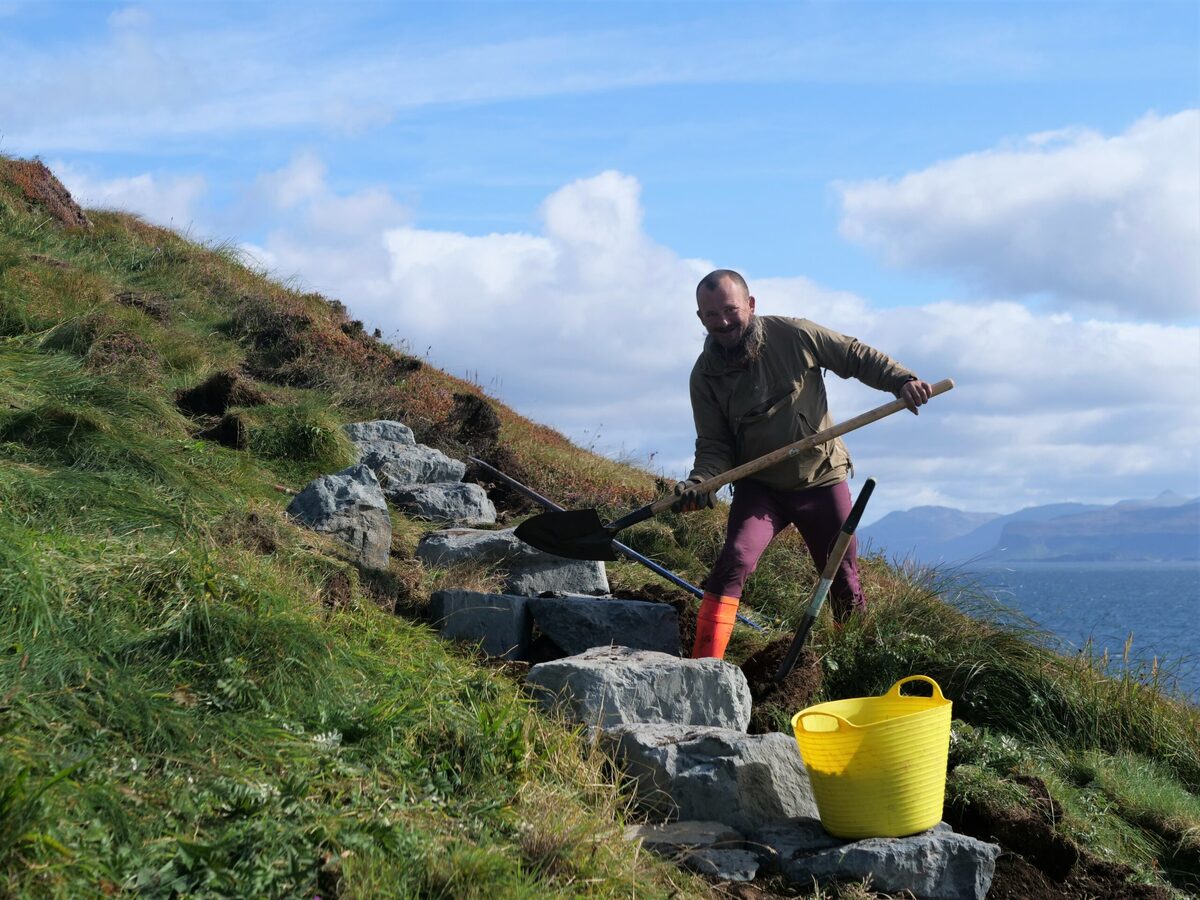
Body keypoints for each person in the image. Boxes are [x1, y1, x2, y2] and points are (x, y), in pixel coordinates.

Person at [675, 269, 933, 659]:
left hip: (821, 477)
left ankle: (855, 662)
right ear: (700, 318)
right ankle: (702, 665)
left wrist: (901, 380)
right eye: (712, 316)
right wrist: (702, 481)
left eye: (730, 310)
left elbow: (853, 355)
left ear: (751, 304)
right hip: (759, 488)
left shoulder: (795, 335)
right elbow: (714, 445)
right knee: (734, 561)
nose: (723, 322)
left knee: (842, 577)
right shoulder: (704, 376)